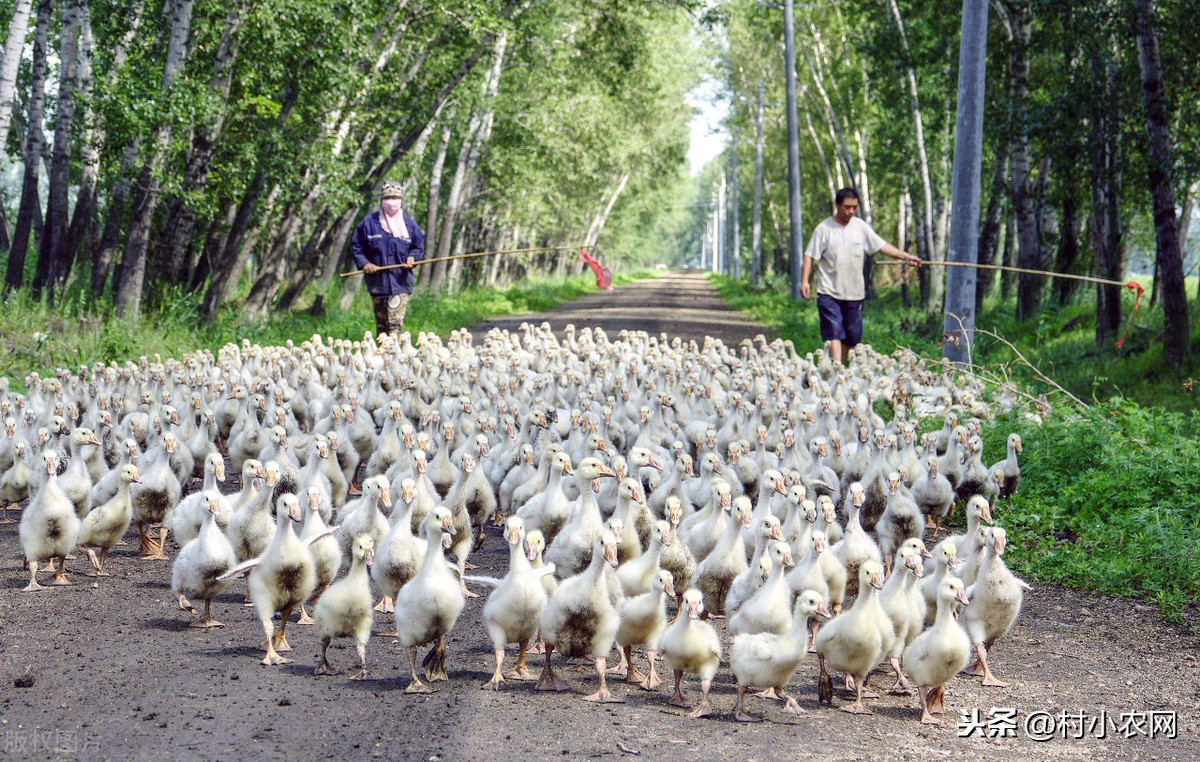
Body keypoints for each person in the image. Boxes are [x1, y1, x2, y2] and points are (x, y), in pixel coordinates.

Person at [800, 188, 921, 365]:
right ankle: (837, 371)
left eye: (854, 207)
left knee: (851, 337)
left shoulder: (860, 227)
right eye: (847, 207)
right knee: (833, 332)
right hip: (829, 291)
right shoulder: (824, 229)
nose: (850, 211)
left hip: (854, 292)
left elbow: (880, 245)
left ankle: (839, 369)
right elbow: (810, 255)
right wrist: (804, 281)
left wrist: (905, 256)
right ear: (837, 205)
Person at [350, 180, 425, 338]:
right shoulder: (369, 224)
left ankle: (395, 358)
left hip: (400, 283)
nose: (392, 202)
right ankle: (382, 360)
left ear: (401, 200)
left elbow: (418, 246)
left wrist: (412, 257)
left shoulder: (409, 224)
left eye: (396, 198)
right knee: (382, 327)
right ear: (382, 200)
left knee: (395, 324)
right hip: (377, 284)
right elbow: (357, 247)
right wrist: (365, 263)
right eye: (388, 198)